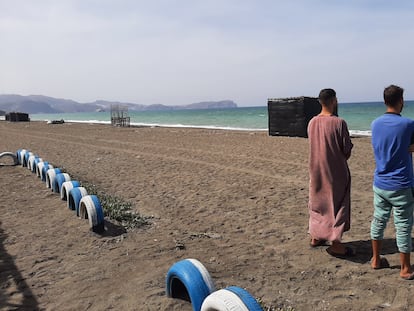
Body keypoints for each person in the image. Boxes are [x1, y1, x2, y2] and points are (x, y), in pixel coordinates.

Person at [370, 84, 414, 280]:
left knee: (379, 220)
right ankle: (405, 268)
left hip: (380, 182)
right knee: (403, 225)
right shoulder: (408, 124)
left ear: (385, 101)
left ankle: (376, 259)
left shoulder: (375, 124)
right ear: (401, 101)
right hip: (401, 183)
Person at [308, 88, 354, 257]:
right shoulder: (338, 122)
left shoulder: (312, 122)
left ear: (320, 102)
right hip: (335, 171)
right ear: (334, 100)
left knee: (317, 203)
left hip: (316, 168)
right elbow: (346, 149)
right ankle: (335, 243)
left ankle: (315, 236)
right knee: (338, 205)